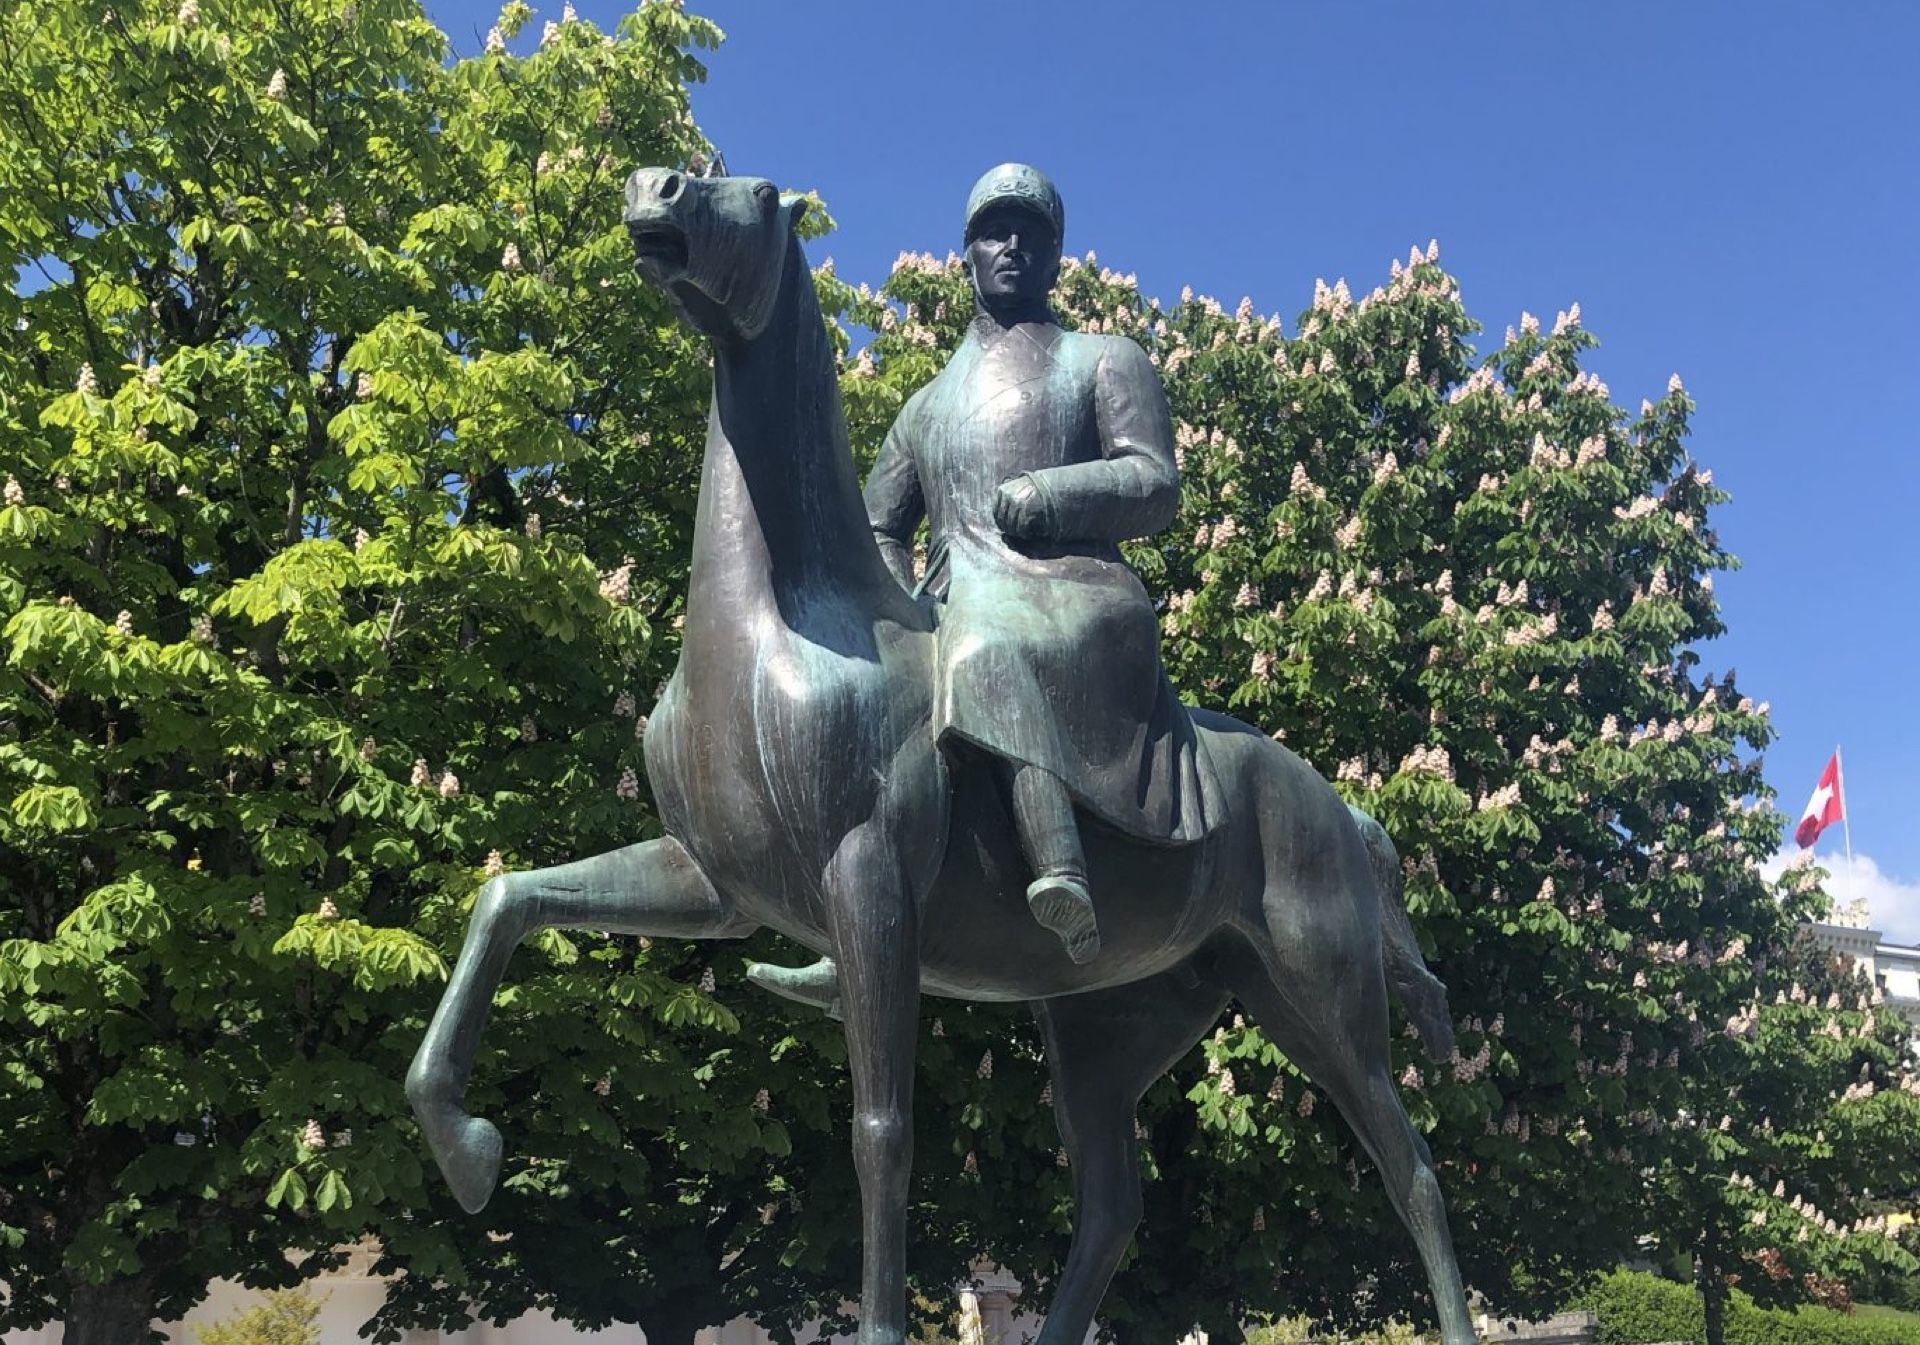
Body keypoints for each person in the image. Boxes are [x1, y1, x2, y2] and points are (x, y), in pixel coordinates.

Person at [748, 163, 1218, 1012]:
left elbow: (1155, 482)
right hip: (957, 606)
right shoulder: (927, 405)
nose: (1012, 246)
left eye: (1030, 234)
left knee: (985, 647)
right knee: (871, 703)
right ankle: (853, 918)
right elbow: (883, 524)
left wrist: (1054, 494)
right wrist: (897, 609)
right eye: (996, 232)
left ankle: (1060, 868)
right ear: (965, 252)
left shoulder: (1103, 361)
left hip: (1074, 598)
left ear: (1055, 256)